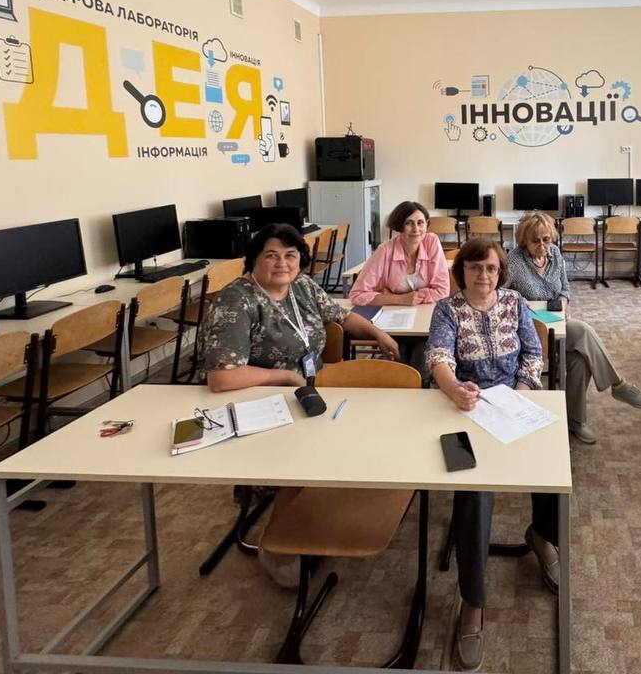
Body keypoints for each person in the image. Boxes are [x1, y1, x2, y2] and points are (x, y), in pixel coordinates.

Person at [199, 223, 400, 586]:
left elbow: (341, 316)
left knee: (363, 439)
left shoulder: (302, 286)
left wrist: (377, 332)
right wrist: (286, 377)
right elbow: (222, 378)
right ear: (253, 260)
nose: (282, 263)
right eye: (271, 255)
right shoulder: (236, 301)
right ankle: (280, 546)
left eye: (290, 255)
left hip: (309, 391)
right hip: (263, 399)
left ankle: (316, 521)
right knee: (309, 456)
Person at [425, 237, 559, 672]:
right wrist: (455, 390)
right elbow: (439, 358)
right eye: (475, 267)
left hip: (514, 401)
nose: (484, 275)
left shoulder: (515, 302)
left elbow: (533, 353)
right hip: (462, 408)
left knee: (551, 467)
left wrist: (520, 392)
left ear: (501, 272)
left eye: (491, 268)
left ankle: (543, 536)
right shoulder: (447, 309)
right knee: (474, 489)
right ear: (461, 271)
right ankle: (473, 600)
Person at [505, 211, 641, 444]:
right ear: (524, 241)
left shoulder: (555, 254)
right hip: (528, 330)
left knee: (579, 359)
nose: (542, 246)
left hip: (556, 323)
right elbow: (498, 293)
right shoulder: (514, 260)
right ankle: (618, 385)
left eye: (546, 240)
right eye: (535, 241)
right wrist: (518, 301)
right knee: (583, 331)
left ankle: (576, 421)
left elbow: (565, 288)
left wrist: (563, 302)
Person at [349, 200, 450, 371]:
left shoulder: (432, 242)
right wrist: (400, 299)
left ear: (427, 224)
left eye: (420, 223)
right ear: (399, 226)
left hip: (426, 318)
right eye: (408, 223)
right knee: (400, 352)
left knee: (422, 350)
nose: (416, 229)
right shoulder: (385, 250)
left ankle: (419, 382)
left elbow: (442, 290)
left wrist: (397, 296)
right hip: (395, 321)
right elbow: (357, 294)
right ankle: (401, 380)